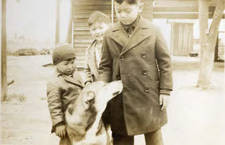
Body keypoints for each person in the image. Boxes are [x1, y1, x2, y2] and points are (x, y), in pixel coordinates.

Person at [98, 0, 173, 145]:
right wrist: (102, 90)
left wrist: (165, 90)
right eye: (118, 11)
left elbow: (165, 62)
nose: (122, 15)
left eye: (127, 11)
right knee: (121, 138)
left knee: (154, 137)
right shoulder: (109, 34)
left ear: (139, 8)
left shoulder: (153, 30)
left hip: (148, 94)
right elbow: (105, 66)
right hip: (120, 95)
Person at [47, 45, 84, 145]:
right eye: (66, 64)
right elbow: (54, 105)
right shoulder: (54, 82)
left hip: (79, 118)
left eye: (72, 63)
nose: (70, 66)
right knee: (67, 142)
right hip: (67, 121)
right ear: (56, 64)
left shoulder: (76, 74)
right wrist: (59, 124)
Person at [85, 11, 111, 83]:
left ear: (109, 27)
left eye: (101, 28)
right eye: (94, 29)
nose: (97, 31)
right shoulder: (89, 50)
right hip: (98, 85)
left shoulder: (113, 45)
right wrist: (87, 81)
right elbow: (87, 70)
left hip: (113, 85)